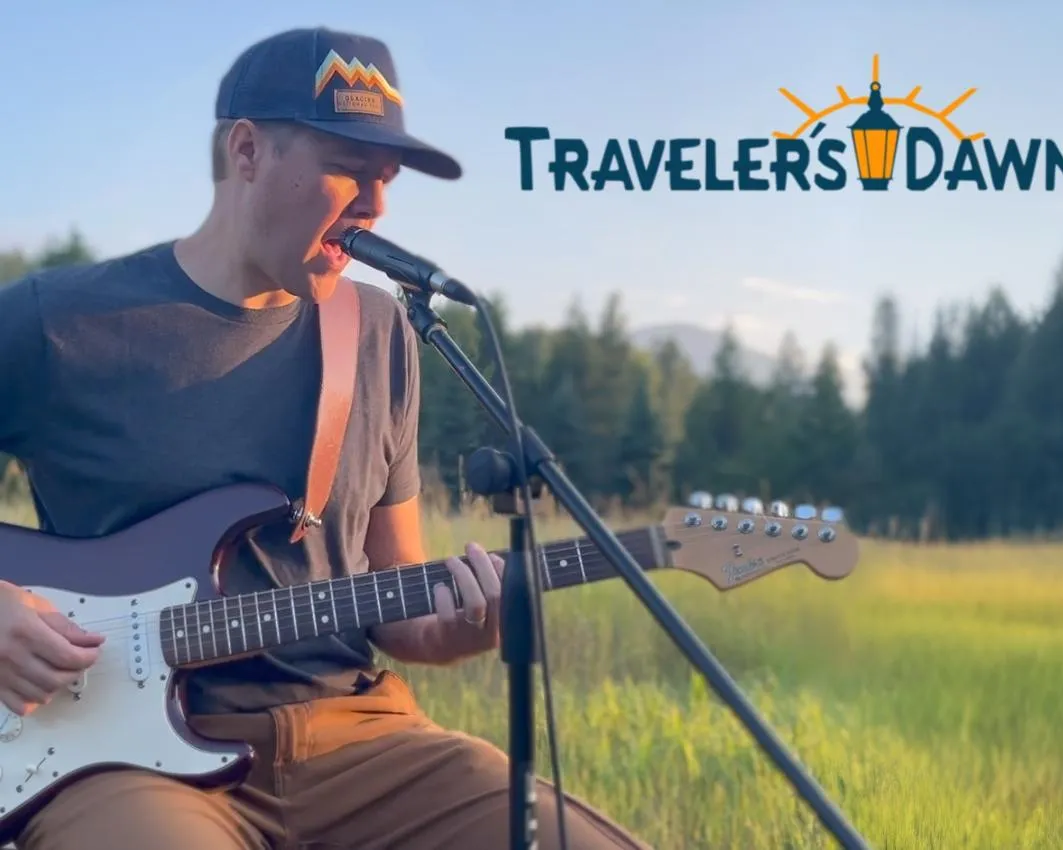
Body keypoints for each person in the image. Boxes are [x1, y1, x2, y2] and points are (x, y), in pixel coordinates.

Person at [0, 26, 648, 850]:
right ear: (246, 152)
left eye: (388, 180)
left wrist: (466, 623)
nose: (376, 207)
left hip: (359, 738)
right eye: (351, 170)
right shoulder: (59, 320)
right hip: (119, 761)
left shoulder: (380, 334)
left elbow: (398, 597)